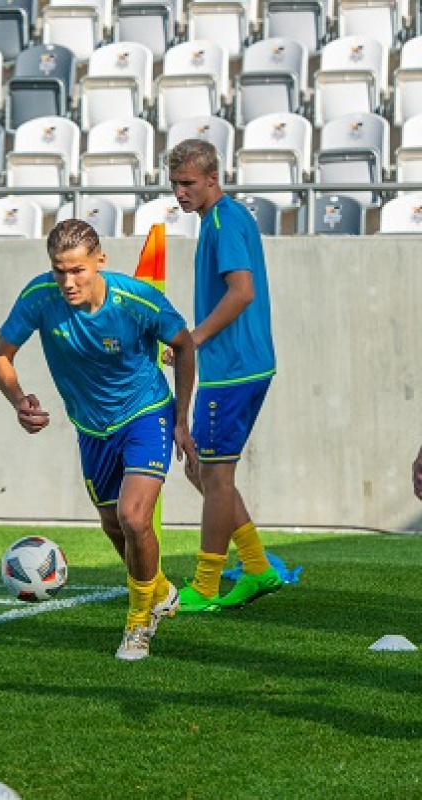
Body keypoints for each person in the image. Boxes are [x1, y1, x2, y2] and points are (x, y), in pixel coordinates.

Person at [0, 219, 197, 660]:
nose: (68, 281)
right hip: (91, 427)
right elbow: (1, 356)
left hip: (145, 412)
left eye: (78, 270)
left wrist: (180, 418)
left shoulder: (135, 300)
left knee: (135, 517)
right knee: (113, 525)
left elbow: (183, 344)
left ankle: (139, 622)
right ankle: (157, 587)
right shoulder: (38, 297)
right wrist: (17, 400)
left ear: (100, 261)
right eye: (59, 270)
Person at [166, 138, 283, 612]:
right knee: (205, 471)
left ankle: (207, 584)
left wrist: (193, 339)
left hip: (234, 369)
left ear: (213, 179)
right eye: (174, 184)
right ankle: (257, 567)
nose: (179, 192)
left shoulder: (226, 220)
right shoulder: (219, 219)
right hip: (234, 366)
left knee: (212, 476)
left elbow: (241, 292)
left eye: (188, 183)